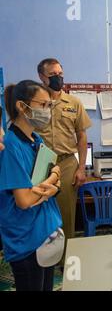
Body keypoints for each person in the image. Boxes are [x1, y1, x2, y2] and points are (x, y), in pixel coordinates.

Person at [0, 80, 63, 291]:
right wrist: (51, 182)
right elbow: (24, 200)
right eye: (43, 105)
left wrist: (51, 184)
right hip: (26, 240)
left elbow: (56, 172)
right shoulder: (12, 146)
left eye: (49, 106)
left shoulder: (35, 140)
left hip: (44, 233)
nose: (47, 111)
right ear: (22, 106)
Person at [36, 58, 92, 241]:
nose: (58, 78)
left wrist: (81, 168)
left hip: (67, 163)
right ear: (41, 77)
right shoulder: (34, 102)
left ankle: (65, 259)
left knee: (66, 214)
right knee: (38, 210)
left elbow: (82, 136)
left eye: (60, 74)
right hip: (39, 164)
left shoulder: (74, 102)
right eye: (52, 75)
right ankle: (41, 260)